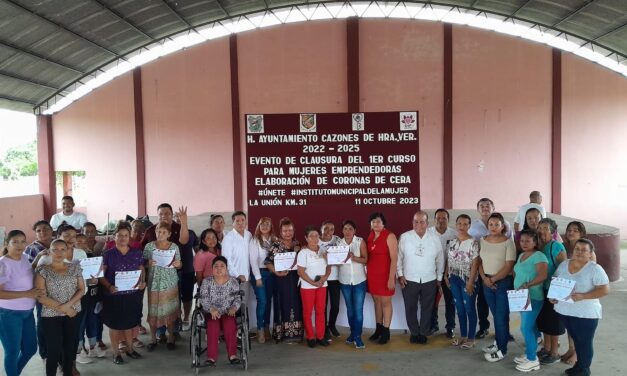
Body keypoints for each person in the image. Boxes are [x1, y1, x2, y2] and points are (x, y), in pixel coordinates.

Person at [551, 239, 609, 376]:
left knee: (584, 341)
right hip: (565, 311)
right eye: (577, 248)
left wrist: (584, 296)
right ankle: (579, 366)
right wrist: (552, 296)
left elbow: (605, 290)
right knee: (576, 339)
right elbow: (556, 281)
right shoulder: (564, 264)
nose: (579, 252)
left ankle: (584, 370)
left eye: (584, 250)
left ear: (590, 254)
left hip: (586, 314)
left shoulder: (595, 269)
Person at [35, 239, 85, 376]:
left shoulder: (75, 268)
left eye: (63, 249)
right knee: (54, 351)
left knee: (69, 349)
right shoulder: (42, 270)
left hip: (72, 314)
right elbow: (40, 296)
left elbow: (82, 289)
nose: (59, 252)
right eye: (55, 249)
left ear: (67, 251)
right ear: (49, 251)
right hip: (51, 316)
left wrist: (68, 307)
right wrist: (63, 308)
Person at [99, 221, 146, 364]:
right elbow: (100, 274)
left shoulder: (137, 253)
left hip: (132, 294)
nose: (123, 238)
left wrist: (142, 282)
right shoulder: (108, 254)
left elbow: (142, 269)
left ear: (129, 237)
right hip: (114, 295)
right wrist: (109, 286)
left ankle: (130, 350)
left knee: (130, 323)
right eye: (120, 235)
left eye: (126, 235)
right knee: (115, 324)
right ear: (115, 237)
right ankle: (116, 353)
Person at [141, 204, 188, 344]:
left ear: (172, 214)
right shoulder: (150, 235)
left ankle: (172, 335)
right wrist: (147, 263)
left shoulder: (176, 236)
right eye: (161, 213)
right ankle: (158, 335)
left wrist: (178, 264)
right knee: (155, 308)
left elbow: (182, 250)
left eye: (167, 213)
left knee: (171, 306)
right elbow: (142, 260)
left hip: (171, 280)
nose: (164, 216)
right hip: (154, 280)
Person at [397, 211, 444, 345]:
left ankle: (423, 332)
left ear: (427, 223)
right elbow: (398, 257)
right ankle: (414, 333)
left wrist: (439, 278)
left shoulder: (435, 238)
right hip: (409, 279)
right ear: (412, 223)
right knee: (410, 307)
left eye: (422, 221)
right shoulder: (405, 237)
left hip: (430, 279)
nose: (419, 224)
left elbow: (440, 259)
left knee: (427, 308)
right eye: (416, 221)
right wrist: (400, 275)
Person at [469, 198, 512, 340]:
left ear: (493, 207)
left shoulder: (506, 224)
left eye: (488, 205)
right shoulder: (473, 226)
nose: (485, 208)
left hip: (502, 274)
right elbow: (476, 252)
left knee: (503, 307)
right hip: (483, 272)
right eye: (482, 206)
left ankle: (505, 331)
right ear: (478, 209)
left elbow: (510, 251)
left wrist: (497, 277)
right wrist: (483, 277)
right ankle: (484, 327)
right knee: (482, 302)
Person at [0, 230, 41, 376]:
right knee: (12, 351)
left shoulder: (24, 257)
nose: (20, 245)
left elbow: (27, 272)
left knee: (30, 349)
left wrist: (39, 257)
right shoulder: (3, 264)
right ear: (7, 243)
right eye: (15, 241)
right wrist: (27, 294)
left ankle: (14, 373)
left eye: (23, 241)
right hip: (8, 314)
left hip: (28, 312)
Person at [478, 212, 516, 362]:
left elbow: (508, 266)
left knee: (501, 317)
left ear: (502, 226)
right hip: (486, 281)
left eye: (496, 224)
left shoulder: (508, 242)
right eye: (491, 224)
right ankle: (499, 342)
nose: (493, 227)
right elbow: (479, 261)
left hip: (503, 283)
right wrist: (484, 278)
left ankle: (502, 350)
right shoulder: (482, 240)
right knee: (497, 316)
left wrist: (492, 279)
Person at [512, 229, 548, 372]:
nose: (524, 243)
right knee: (530, 327)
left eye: (528, 241)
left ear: (535, 242)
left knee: (525, 328)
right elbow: (516, 272)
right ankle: (529, 354)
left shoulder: (539, 256)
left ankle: (533, 360)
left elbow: (543, 275)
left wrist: (527, 284)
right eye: (522, 241)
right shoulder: (521, 255)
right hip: (521, 297)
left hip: (533, 296)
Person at [143, 221, 182, 351]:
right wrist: (148, 263)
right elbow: (143, 265)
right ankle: (153, 339)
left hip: (170, 283)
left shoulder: (174, 247)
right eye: (159, 231)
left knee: (170, 311)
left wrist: (178, 264)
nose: (161, 234)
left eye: (164, 232)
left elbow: (180, 264)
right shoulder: (149, 246)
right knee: (153, 311)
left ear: (169, 234)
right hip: (154, 283)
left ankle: (171, 338)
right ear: (155, 232)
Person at [264, 217, 303, 343]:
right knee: (282, 305)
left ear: (293, 230)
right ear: (281, 232)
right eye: (285, 231)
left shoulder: (297, 244)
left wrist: (299, 251)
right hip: (281, 280)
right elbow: (267, 262)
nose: (288, 233)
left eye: (290, 230)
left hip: (295, 280)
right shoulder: (276, 245)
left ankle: (296, 333)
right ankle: (281, 334)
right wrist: (276, 272)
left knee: (296, 304)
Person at [444, 214, 479, 349]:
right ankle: (463, 335)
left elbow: (475, 264)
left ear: (469, 226)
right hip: (454, 278)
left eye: (465, 224)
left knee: (469, 308)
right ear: (456, 224)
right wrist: (446, 275)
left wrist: (470, 282)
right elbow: (449, 259)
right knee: (459, 308)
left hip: (467, 280)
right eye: (459, 223)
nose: (462, 226)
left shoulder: (473, 243)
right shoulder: (452, 242)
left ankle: (471, 338)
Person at [198, 256, 241, 366]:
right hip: (212, 312)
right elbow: (203, 298)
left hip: (228, 312)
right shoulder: (206, 282)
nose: (219, 269)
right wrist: (211, 308)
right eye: (216, 266)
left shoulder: (233, 282)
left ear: (226, 268)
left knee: (230, 325)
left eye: (222, 266)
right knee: (213, 326)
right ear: (212, 269)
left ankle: (232, 355)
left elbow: (237, 298)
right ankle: (211, 358)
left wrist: (233, 308)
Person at [561, 221, 593, 365]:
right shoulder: (567, 247)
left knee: (580, 329)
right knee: (570, 325)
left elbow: (592, 274)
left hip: (582, 295)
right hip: (568, 293)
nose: (571, 232)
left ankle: (578, 355)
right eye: (569, 230)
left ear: (581, 233)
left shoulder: (587, 251)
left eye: (575, 230)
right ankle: (571, 349)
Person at [536, 218, 567, 365]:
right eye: (540, 228)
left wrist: (558, 293)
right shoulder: (539, 246)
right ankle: (546, 348)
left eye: (545, 228)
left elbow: (564, 270)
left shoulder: (556, 246)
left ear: (553, 232)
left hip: (553, 290)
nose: (541, 231)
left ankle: (554, 353)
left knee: (554, 322)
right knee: (544, 321)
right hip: (541, 289)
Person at [366, 212, 398, 345]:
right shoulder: (371, 235)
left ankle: (386, 331)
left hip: (385, 275)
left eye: (378, 221)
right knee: (377, 302)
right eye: (373, 221)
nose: (375, 224)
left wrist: (391, 278)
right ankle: (378, 329)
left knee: (386, 303)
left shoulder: (390, 236)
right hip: (373, 275)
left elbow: (394, 258)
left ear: (383, 223)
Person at [297, 226, 331, 348]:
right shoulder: (303, 252)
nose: (315, 238)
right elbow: (300, 271)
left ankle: (320, 336)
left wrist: (324, 278)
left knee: (321, 311)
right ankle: (310, 337)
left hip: (322, 285)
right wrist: (313, 282)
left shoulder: (323, 251)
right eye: (311, 236)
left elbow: (329, 266)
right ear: (306, 238)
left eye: (316, 235)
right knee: (307, 312)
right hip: (307, 287)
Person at [338, 220, 368, 349]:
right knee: (350, 310)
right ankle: (353, 333)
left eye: (350, 228)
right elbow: (337, 263)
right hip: (344, 281)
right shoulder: (338, 243)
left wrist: (353, 257)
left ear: (355, 230)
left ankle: (357, 336)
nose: (348, 231)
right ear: (342, 231)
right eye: (345, 228)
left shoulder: (360, 241)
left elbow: (366, 259)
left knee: (358, 310)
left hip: (359, 280)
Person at [427, 208, 457, 338]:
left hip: (449, 273)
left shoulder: (454, 235)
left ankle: (450, 327)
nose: (441, 220)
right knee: (432, 301)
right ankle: (433, 324)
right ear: (434, 219)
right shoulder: (428, 234)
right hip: (432, 272)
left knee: (450, 301)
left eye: (444, 218)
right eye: (438, 218)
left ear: (448, 220)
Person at [249, 217, 278, 343]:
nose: (265, 226)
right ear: (258, 226)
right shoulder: (254, 241)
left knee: (268, 301)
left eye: (268, 224)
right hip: (259, 273)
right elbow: (253, 261)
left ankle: (267, 328)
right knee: (262, 301)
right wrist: (258, 277)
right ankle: (260, 329)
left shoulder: (274, 240)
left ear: (271, 226)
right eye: (262, 224)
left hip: (272, 274)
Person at [319, 220, 341, 339]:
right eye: (326, 228)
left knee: (335, 305)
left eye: (331, 229)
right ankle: (325, 328)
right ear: (321, 229)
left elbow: (341, 259)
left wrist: (331, 258)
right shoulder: (315, 240)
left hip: (335, 278)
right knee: (323, 306)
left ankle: (332, 325)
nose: (329, 232)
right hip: (321, 278)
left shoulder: (337, 240)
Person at [221, 211, 252, 286]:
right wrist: (237, 275)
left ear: (246, 222)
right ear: (233, 223)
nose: (240, 223)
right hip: (235, 278)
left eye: (242, 220)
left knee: (246, 298)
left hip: (248, 277)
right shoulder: (228, 238)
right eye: (237, 221)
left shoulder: (249, 234)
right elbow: (226, 259)